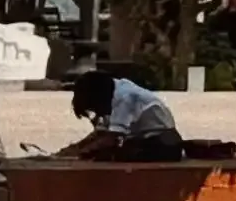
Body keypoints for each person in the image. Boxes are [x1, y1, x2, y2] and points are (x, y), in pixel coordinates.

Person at [65, 65, 198, 163]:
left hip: (162, 144)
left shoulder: (124, 97)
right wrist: (74, 148)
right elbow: (102, 133)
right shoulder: (116, 88)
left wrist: (83, 151)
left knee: (108, 156)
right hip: (148, 140)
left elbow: (111, 137)